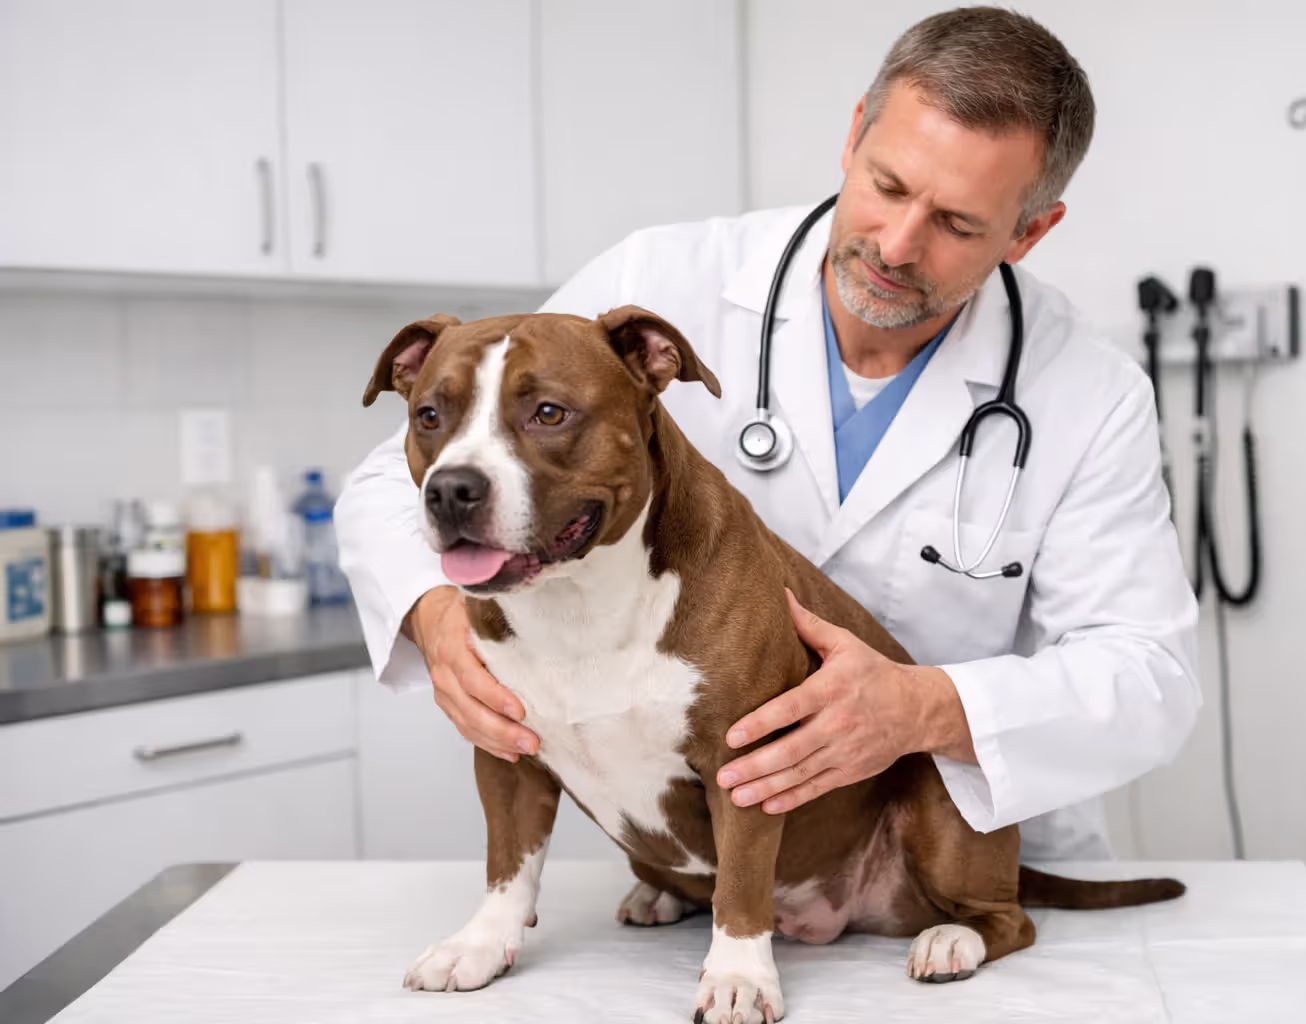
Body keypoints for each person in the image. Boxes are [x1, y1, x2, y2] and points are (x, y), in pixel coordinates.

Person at [335, 6, 1199, 861]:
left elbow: (1148, 676)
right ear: (855, 134)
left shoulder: (1089, 392)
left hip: (946, 855)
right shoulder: (661, 279)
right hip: (712, 872)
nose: (896, 246)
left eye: (957, 224)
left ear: (1028, 232)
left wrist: (923, 709)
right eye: (888, 186)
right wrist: (438, 614)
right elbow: (397, 479)